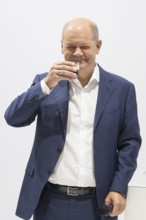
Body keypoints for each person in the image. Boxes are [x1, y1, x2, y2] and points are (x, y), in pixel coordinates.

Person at [4, 17, 141, 220]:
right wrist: (46, 85)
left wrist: (119, 187)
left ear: (98, 46)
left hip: (98, 203)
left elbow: (130, 142)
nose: (77, 53)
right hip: (49, 201)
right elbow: (13, 118)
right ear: (61, 46)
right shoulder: (46, 84)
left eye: (84, 46)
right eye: (71, 46)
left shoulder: (122, 89)